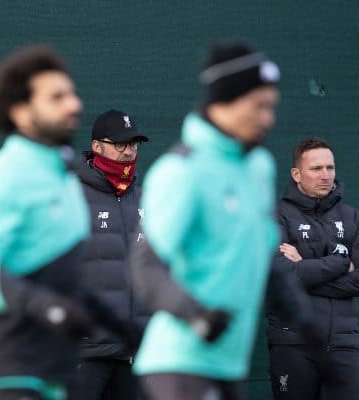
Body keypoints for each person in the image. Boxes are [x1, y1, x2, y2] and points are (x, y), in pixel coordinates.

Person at [0, 45, 137, 400]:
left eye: (71, 93)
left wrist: (119, 326)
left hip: (55, 371)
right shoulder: (1, 177)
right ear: (21, 112)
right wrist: (47, 307)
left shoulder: (65, 180)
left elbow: (65, 277)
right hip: (3, 373)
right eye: (57, 97)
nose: (73, 104)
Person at [129, 41, 284, 400]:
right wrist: (197, 316)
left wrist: (300, 311)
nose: (268, 118)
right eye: (258, 107)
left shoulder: (259, 167)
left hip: (229, 363)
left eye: (271, 107)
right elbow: (145, 266)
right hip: (181, 361)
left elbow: (263, 253)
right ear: (224, 104)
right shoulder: (182, 170)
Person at [266, 137, 359, 400]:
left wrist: (304, 267)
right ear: (297, 174)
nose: (325, 175)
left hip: (343, 344)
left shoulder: (352, 217)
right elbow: (281, 275)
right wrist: (342, 263)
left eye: (330, 168)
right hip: (292, 343)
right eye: (316, 169)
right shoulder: (274, 215)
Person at [72, 109, 149, 400]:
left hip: (133, 349)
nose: (129, 151)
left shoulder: (144, 198)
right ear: (96, 147)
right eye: (120, 144)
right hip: (85, 351)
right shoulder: (71, 195)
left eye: (133, 144)